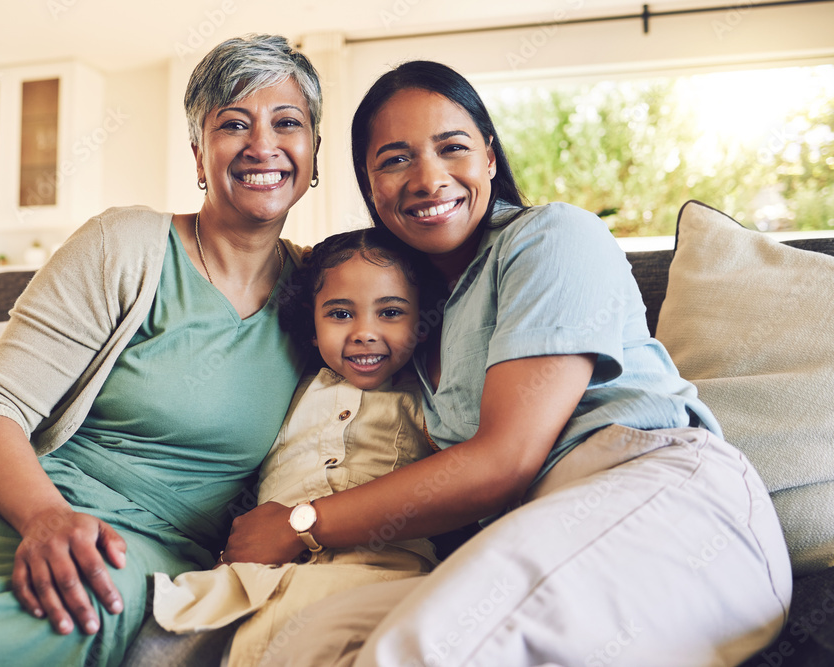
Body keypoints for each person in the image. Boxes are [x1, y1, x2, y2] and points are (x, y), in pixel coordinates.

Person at [222, 60, 793, 667]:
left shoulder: (554, 236)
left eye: (453, 148)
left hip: (659, 497)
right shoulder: (410, 323)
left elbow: (504, 460)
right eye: (394, 159)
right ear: (369, 186)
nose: (428, 177)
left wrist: (301, 524)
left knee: (421, 651)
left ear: (490, 159)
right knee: (300, 643)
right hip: (529, 535)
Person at [0, 34, 321, 667]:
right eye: (234, 124)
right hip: (10, 500)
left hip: (144, 544)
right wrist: (44, 518)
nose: (263, 144)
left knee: (56, 620)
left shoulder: (326, 293)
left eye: (288, 122)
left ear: (313, 153)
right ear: (200, 156)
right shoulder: (128, 244)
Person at [127, 227, 440, 667]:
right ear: (311, 328)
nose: (364, 333)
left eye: (390, 312)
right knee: (166, 637)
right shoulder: (287, 388)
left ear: (422, 324)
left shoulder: (429, 397)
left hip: (379, 569)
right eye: (340, 314)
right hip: (259, 571)